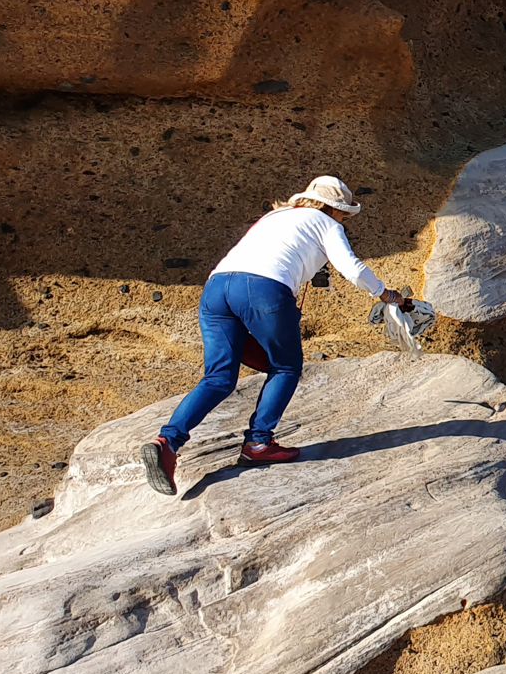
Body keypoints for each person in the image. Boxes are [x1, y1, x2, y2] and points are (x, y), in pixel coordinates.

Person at [139, 176, 413, 496]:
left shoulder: (273, 217)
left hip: (216, 288)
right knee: (286, 367)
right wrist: (386, 295)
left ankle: (166, 443)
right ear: (333, 208)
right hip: (264, 289)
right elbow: (352, 269)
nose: (345, 220)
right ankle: (257, 443)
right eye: (345, 214)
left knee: (218, 377)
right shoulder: (326, 223)